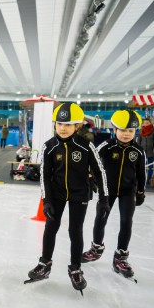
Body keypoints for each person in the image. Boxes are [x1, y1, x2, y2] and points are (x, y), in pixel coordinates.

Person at [27, 102, 109, 294]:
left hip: (79, 193)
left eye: (68, 124)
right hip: (56, 194)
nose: (62, 128)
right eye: (59, 124)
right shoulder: (49, 147)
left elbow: (100, 172)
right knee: (50, 227)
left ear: (77, 126)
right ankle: (44, 263)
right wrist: (46, 200)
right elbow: (44, 176)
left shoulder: (87, 146)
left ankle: (75, 268)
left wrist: (104, 198)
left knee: (75, 230)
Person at [82, 110, 146, 280]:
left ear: (135, 131)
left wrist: (140, 192)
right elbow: (92, 162)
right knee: (101, 217)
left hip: (128, 191)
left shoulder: (138, 151)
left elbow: (141, 173)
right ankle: (96, 248)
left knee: (126, 221)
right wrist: (90, 180)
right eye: (123, 130)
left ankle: (121, 256)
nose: (126, 134)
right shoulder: (106, 146)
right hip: (107, 190)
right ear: (115, 129)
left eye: (131, 131)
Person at [136, 116, 154, 186]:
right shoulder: (142, 130)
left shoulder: (153, 130)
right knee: (141, 166)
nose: (146, 124)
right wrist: (138, 149)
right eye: (144, 123)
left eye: (147, 123)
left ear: (150, 123)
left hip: (151, 151)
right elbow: (139, 140)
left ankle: (149, 179)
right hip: (142, 151)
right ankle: (141, 178)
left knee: (150, 167)